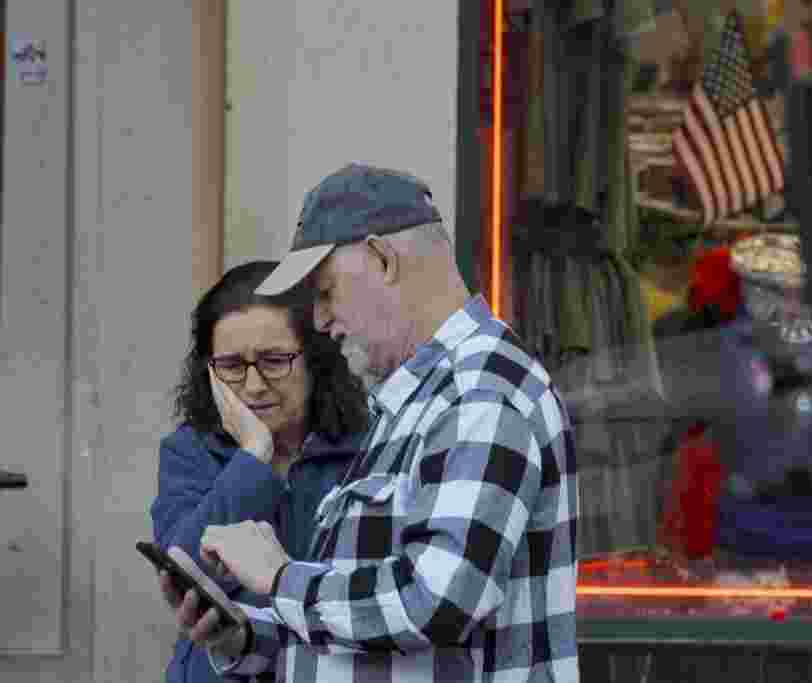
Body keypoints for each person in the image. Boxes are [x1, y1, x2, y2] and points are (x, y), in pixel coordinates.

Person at [156, 163, 579, 683]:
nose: (319, 322)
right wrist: (247, 638)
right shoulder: (422, 395)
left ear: (382, 259)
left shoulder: (480, 390)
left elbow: (441, 601)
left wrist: (281, 576)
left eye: (327, 291)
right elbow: (376, 636)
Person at [151, 260, 368, 683]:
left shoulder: (366, 447)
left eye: (273, 361)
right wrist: (253, 454)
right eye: (231, 366)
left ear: (316, 359)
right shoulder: (191, 451)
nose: (252, 386)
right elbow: (187, 574)